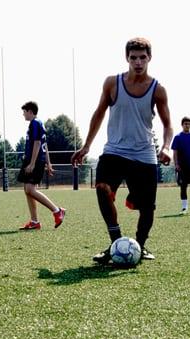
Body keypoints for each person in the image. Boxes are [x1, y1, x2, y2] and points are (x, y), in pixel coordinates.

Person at [71, 37, 173, 264]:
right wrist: (86, 145)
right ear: (126, 58)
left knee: (147, 209)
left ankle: (140, 245)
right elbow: (98, 113)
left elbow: (168, 124)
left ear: (150, 58)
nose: (138, 62)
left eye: (142, 57)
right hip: (114, 151)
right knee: (101, 188)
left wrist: (166, 147)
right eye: (133, 57)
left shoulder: (158, 90)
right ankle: (116, 242)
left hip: (144, 154)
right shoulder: (112, 83)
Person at [17, 101, 66, 230]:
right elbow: (45, 145)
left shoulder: (35, 123)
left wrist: (32, 163)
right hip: (35, 160)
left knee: (30, 190)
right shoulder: (38, 124)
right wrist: (48, 163)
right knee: (27, 190)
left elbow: (38, 144)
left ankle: (57, 211)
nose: (23, 114)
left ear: (30, 111)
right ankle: (34, 222)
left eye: (24, 111)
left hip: (35, 160)